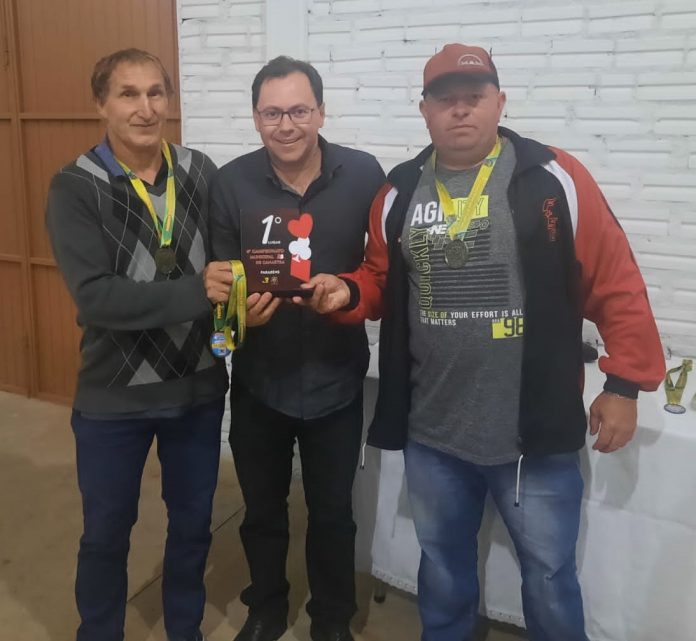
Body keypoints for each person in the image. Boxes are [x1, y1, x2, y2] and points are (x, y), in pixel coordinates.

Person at [304, 44, 666, 641]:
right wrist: (347, 293)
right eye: (445, 99)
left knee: (548, 576)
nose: (461, 110)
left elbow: (615, 280)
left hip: (533, 436)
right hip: (433, 433)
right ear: (424, 109)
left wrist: (625, 383)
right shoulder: (398, 192)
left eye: (474, 97)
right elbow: (380, 278)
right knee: (444, 571)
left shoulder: (555, 178)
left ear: (500, 102)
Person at [45, 48, 228, 641]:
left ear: (169, 100)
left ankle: (185, 630)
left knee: (193, 526)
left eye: (156, 93)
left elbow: (227, 261)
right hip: (113, 399)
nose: (145, 108)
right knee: (106, 534)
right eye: (128, 94)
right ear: (100, 104)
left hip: (197, 390)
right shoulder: (75, 186)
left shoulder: (200, 170)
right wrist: (198, 291)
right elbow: (97, 298)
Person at [205, 56, 385, 641]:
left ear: (321, 112)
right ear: (256, 117)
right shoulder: (229, 183)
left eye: (299, 110)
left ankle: (331, 618)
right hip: (261, 380)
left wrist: (348, 288)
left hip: (337, 379)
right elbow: (220, 284)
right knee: (262, 510)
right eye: (272, 112)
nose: (286, 125)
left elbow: (380, 268)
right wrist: (239, 315)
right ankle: (266, 607)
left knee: (333, 512)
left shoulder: (364, 174)